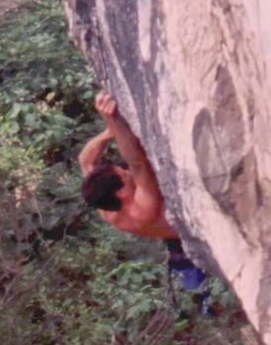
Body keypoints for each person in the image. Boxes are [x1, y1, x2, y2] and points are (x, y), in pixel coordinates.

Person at [79, 91, 207, 295]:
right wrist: (111, 120)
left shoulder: (105, 205)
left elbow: (85, 161)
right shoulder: (141, 210)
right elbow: (137, 163)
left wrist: (108, 134)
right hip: (190, 235)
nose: (126, 171)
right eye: (123, 174)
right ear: (121, 193)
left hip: (170, 227)